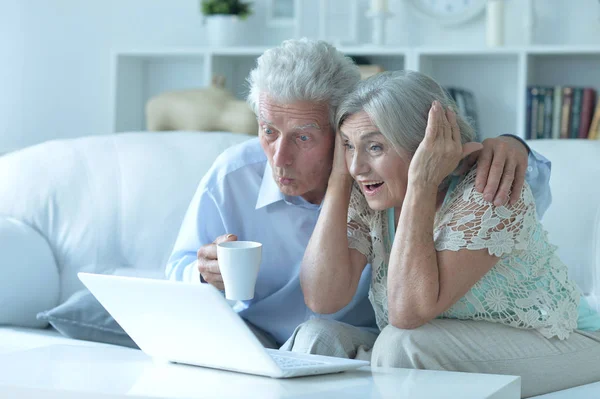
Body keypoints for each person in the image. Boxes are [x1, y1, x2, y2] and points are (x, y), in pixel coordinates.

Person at [165, 39, 551, 352]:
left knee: (332, 337)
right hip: (252, 337)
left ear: (344, 126)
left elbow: (513, 193)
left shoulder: (380, 174)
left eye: (303, 137)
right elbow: (175, 270)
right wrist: (200, 275)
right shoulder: (233, 175)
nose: (278, 158)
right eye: (268, 131)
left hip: (355, 341)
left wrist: (514, 145)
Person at [297, 70, 600, 397]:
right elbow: (323, 298)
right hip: (443, 343)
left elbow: (407, 312)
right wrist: (339, 179)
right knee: (318, 336)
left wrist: (422, 182)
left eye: (374, 147)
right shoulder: (372, 193)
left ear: (426, 144)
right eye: (348, 146)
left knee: (400, 347)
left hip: (568, 343)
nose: (358, 166)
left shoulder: (487, 193)